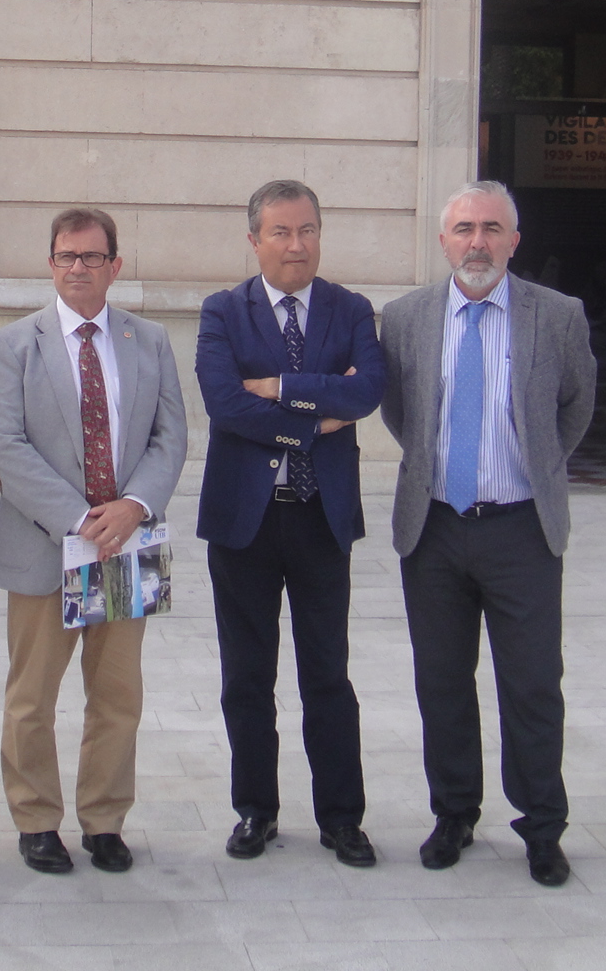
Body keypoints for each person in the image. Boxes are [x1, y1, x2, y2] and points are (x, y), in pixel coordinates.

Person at [378, 182, 596, 886]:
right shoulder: (405, 317)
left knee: (533, 684)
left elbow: (574, 408)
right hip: (435, 528)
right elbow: (401, 411)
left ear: (514, 240)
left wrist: (531, 468)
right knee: (441, 681)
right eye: (465, 228)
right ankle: (454, 814)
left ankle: (541, 825)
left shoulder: (557, 315)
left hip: (521, 529)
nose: (478, 242)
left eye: (492, 229)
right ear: (443, 240)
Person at [0, 207, 188, 875]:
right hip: (48, 544)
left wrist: (133, 506)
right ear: (50, 263)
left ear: (114, 266)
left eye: (92, 257)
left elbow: (171, 436)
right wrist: (78, 517)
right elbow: (4, 445)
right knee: (32, 698)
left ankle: (104, 821)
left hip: (126, 545)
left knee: (118, 696)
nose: (78, 268)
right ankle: (37, 820)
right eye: (66, 256)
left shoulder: (149, 340)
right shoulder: (12, 346)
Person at [195, 179, 385, 866]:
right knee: (248, 677)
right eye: (280, 232)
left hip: (319, 518)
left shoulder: (351, 308)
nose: (296, 245)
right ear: (254, 240)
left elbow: (366, 390)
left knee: (327, 675)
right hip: (243, 523)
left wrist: (280, 389)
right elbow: (223, 405)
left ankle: (341, 817)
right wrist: (312, 427)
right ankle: (257, 811)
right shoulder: (222, 311)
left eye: (307, 230)